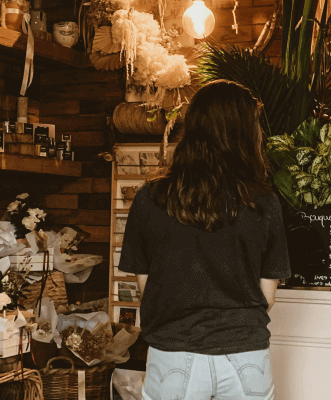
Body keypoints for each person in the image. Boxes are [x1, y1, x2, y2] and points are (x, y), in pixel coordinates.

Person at [119, 80, 291, 400]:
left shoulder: (150, 198)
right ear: (245, 132)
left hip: (172, 354)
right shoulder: (263, 201)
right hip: (245, 355)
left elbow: (146, 286)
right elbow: (267, 295)